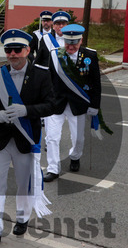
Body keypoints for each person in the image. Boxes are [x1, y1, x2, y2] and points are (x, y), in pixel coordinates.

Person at [0, 29, 55, 246]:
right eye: (8, 50)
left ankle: (22, 218)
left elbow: (51, 105)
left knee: (24, 184)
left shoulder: (41, 74)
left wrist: (27, 110)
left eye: (17, 50)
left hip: (26, 138)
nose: (12, 54)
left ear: (27, 50)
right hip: (1, 139)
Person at [43, 24, 102, 182]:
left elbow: (96, 83)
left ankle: (75, 157)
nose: (70, 46)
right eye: (68, 43)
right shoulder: (55, 54)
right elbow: (48, 80)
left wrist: (94, 105)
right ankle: (53, 168)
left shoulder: (90, 55)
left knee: (78, 139)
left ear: (81, 40)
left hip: (78, 104)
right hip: (56, 103)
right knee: (52, 138)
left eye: (74, 43)